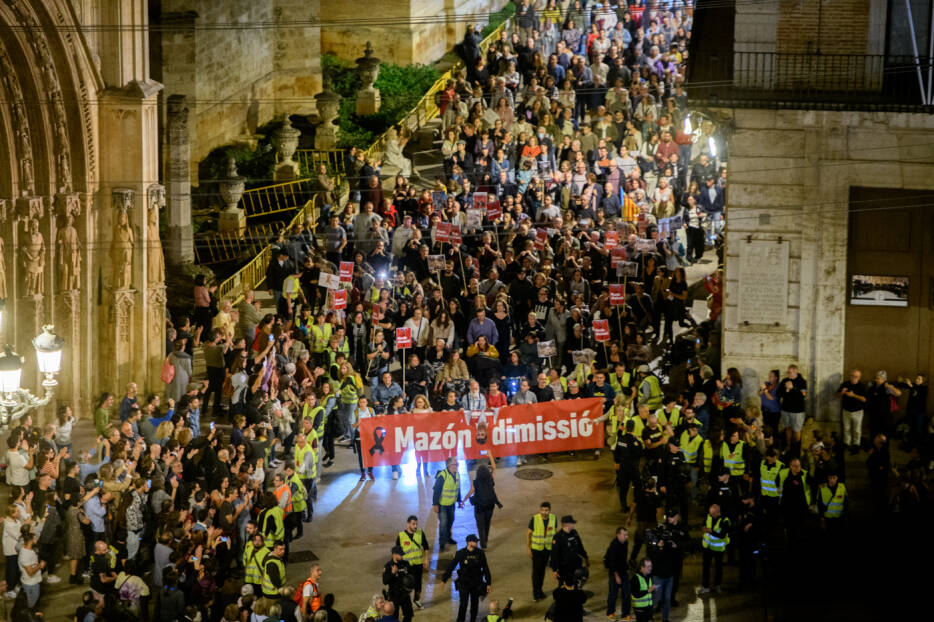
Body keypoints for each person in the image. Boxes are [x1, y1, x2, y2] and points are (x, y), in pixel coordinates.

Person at [441, 534, 492, 622]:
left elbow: (485, 568)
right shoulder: (461, 553)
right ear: (469, 542)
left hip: (476, 583)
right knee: (463, 604)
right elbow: (451, 566)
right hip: (464, 583)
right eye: (475, 541)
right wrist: (444, 579)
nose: (476, 543)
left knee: (474, 604)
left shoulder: (480, 553)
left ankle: (473, 620)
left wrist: (488, 583)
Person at [464, 460, 502, 550]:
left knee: (480, 527)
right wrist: (490, 455)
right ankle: (485, 541)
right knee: (487, 524)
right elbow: (494, 467)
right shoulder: (490, 479)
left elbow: (471, 492)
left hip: (479, 508)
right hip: (490, 506)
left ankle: (483, 545)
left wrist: (463, 500)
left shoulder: (476, 482)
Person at [395, 516, 430, 609]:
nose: (415, 526)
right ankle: (406, 605)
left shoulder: (420, 533)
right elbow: (397, 552)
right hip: (406, 566)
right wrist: (397, 565)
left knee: (418, 585)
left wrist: (426, 559)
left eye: (416, 524)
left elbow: (426, 547)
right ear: (408, 524)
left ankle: (416, 600)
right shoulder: (401, 535)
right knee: (406, 585)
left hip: (418, 564)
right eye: (413, 524)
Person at [527, 501, 556, 602]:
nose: (544, 512)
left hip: (547, 549)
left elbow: (554, 534)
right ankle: (536, 593)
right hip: (536, 549)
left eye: (546, 510)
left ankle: (540, 590)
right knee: (536, 572)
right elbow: (529, 534)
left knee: (542, 571)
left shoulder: (553, 518)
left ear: (549, 510)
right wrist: (528, 548)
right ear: (540, 510)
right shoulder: (535, 519)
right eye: (542, 510)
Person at [697, 504, 729, 595]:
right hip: (708, 547)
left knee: (718, 568)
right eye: (710, 513)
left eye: (712, 514)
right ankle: (705, 586)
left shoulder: (725, 520)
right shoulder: (708, 516)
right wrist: (703, 527)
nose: (710, 515)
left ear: (718, 512)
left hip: (718, 548)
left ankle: (717, 585)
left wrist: (711, 532)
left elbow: (722, 535)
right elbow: (704, 524)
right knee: (705, 568)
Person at [432, 457, 463, 550]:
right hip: (442, 505)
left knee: (451, 521)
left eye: (457, 464)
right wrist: (435, 504)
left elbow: (458, 488)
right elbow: (436, 490)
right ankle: (442, 543)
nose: (457, 466)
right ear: (450, 465)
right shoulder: (442, 475)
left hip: (451, 504)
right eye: (456, 464)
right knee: (443, 524)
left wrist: (459, 501)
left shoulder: (457, 474)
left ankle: (448, 538)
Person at [550, 515, 588, 586]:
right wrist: (555, 570)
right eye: (572, 523)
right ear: (567, 524)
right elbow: (555, 555)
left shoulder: (574, 533)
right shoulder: (558, 537)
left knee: (575, 584)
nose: (574, 524)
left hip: (575, 565)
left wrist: (586, 557)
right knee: (564, 586)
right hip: (564, 568)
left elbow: (580, 547)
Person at [836, 369, 867, 454]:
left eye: (856, 377)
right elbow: (837, 395)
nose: (853, 378)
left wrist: (853, 395)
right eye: (852, 376)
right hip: (846, 410)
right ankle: (847, 443)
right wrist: (841, 393)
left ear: (859, 378)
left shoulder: (861, 386)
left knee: (856, 430)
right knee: (846, 428)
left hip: (857, 412)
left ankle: (856, 444)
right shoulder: (845, 384)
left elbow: (864, 399)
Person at [603, 526, 630, 620]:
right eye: (624, 535)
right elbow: (612, 563)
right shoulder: (613, 546)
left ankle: (625, 613)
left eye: (627, 535)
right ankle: (610, 612)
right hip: (615, 573)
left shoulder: (625, 543)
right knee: (613, 594)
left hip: (623, 571)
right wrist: (616, 576)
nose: (626, 537)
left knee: (626, 593)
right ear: (618, 535)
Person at [382, 546, 414, 622]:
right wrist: (392, 573)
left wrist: (411, 586)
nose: (402, 556)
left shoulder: (406, 564)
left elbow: (411, 577)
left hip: (405, 594)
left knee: (409, 614)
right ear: (394, 555)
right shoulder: (388, 566)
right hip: (394, 595)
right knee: (393, 616)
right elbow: (385, 581)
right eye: (400, 554)